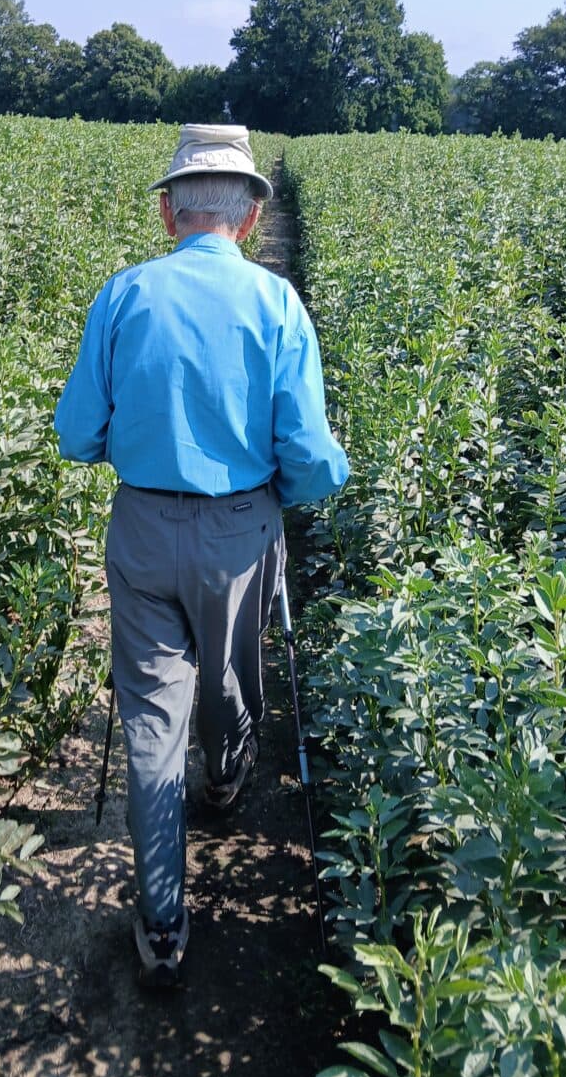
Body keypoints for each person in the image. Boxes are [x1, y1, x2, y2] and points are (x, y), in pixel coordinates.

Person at [54, 125, 349, 986]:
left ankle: (161, 920)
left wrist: (137, 445)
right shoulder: (278, 305)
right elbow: (311, 452)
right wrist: (272, 503)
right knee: (228, 681)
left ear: (167, 212)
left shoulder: (123, 296)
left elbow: (78, 433)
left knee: (150, 720)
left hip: (142, 526)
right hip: (240, 527)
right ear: (252, 217)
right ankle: (223, 784)